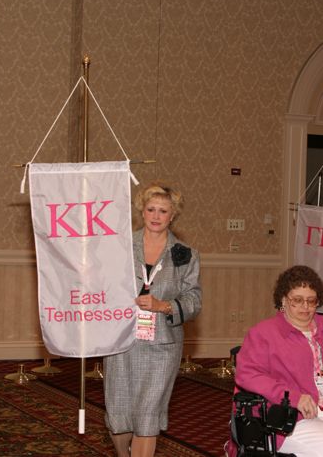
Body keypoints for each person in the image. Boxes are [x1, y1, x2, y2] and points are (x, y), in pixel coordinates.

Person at [103, 181, 201, 457]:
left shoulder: (185, 255)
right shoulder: (120, 245)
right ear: (142, 212)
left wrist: (164, 305)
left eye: (163, 211)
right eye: (151, 209)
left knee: (148, 415)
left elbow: (194, 301)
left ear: (173, 216)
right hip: (121, 340)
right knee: (119, 415)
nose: (156, 216)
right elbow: (103, 286)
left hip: (163, 345)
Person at [227, 265, 323, 457]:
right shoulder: (264, 334)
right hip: (288, 419)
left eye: (311, 301)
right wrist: (293, 397)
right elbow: (247, 376)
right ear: (283, 300)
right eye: (297, 300)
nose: (305, 307)